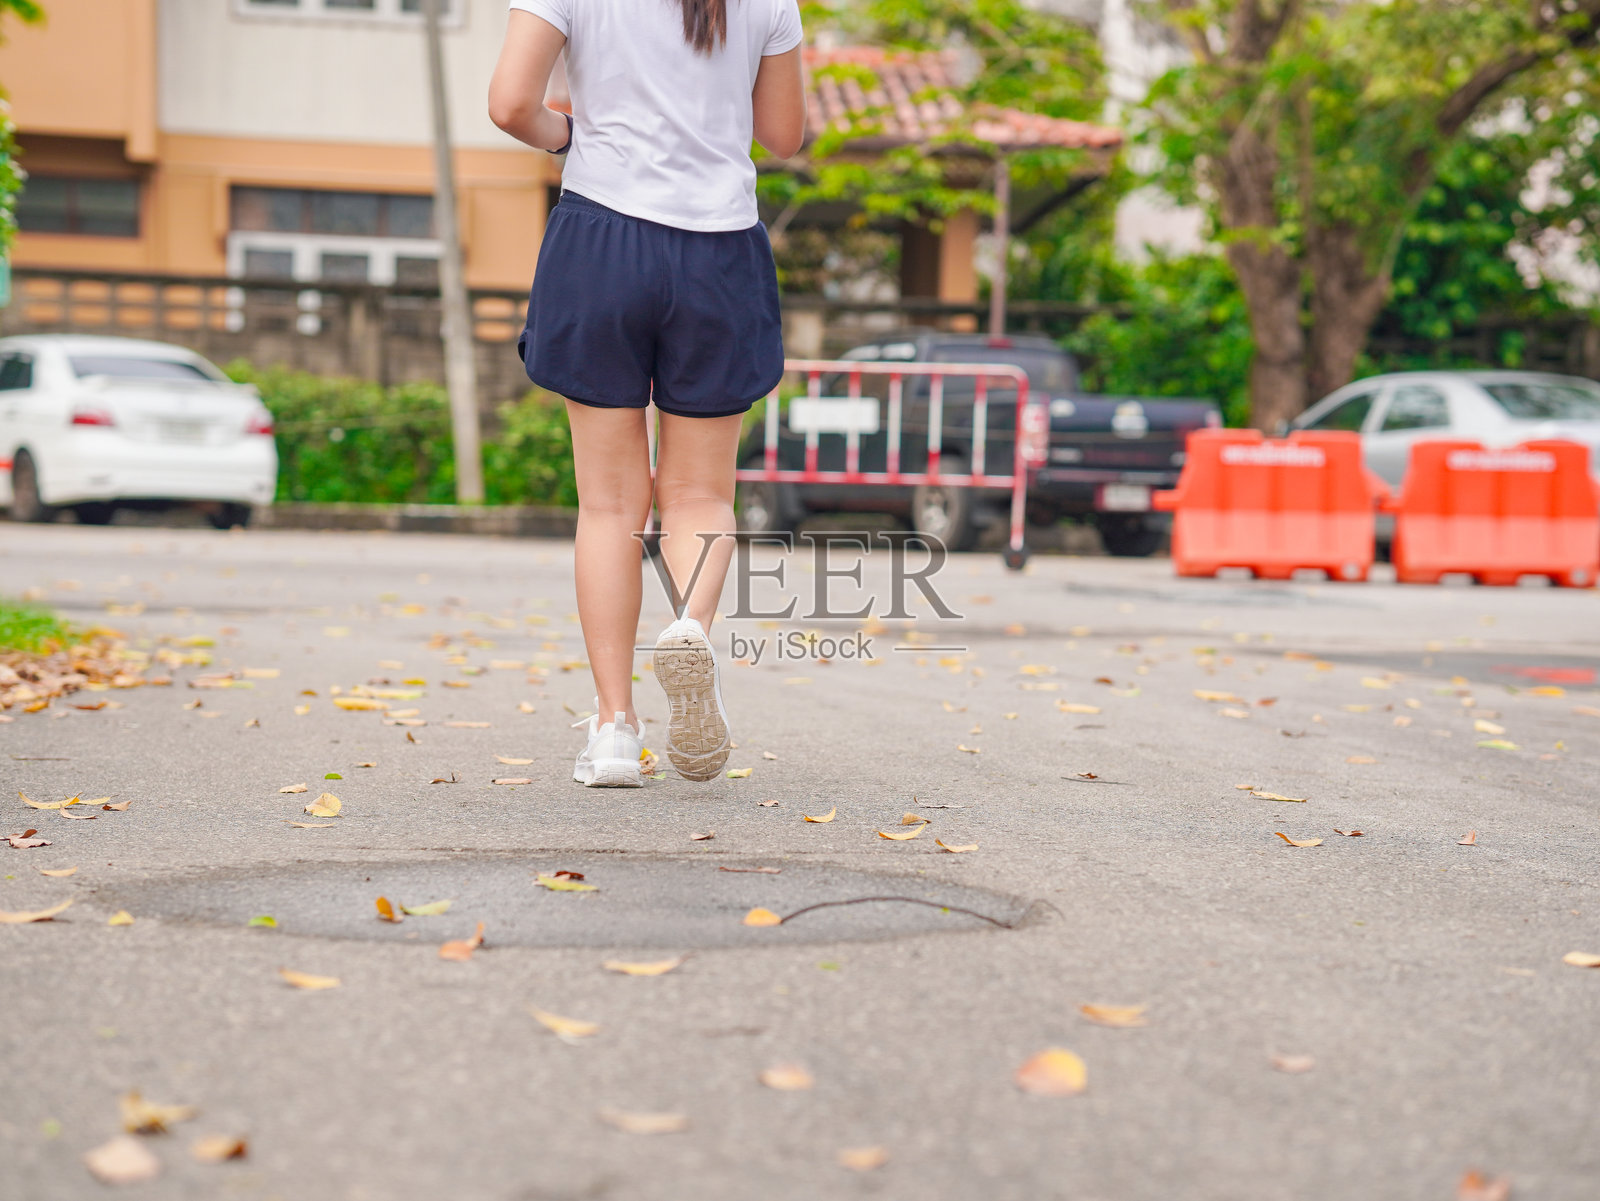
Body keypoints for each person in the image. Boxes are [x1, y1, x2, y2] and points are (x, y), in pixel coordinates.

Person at [490, 0, 806, 787]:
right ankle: (690, 628)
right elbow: (785, 134)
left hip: (602, 238)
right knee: (699, 493)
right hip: (719, 248)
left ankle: (612, 729)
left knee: (608, 506)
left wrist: (571, 134)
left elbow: (509, 104)